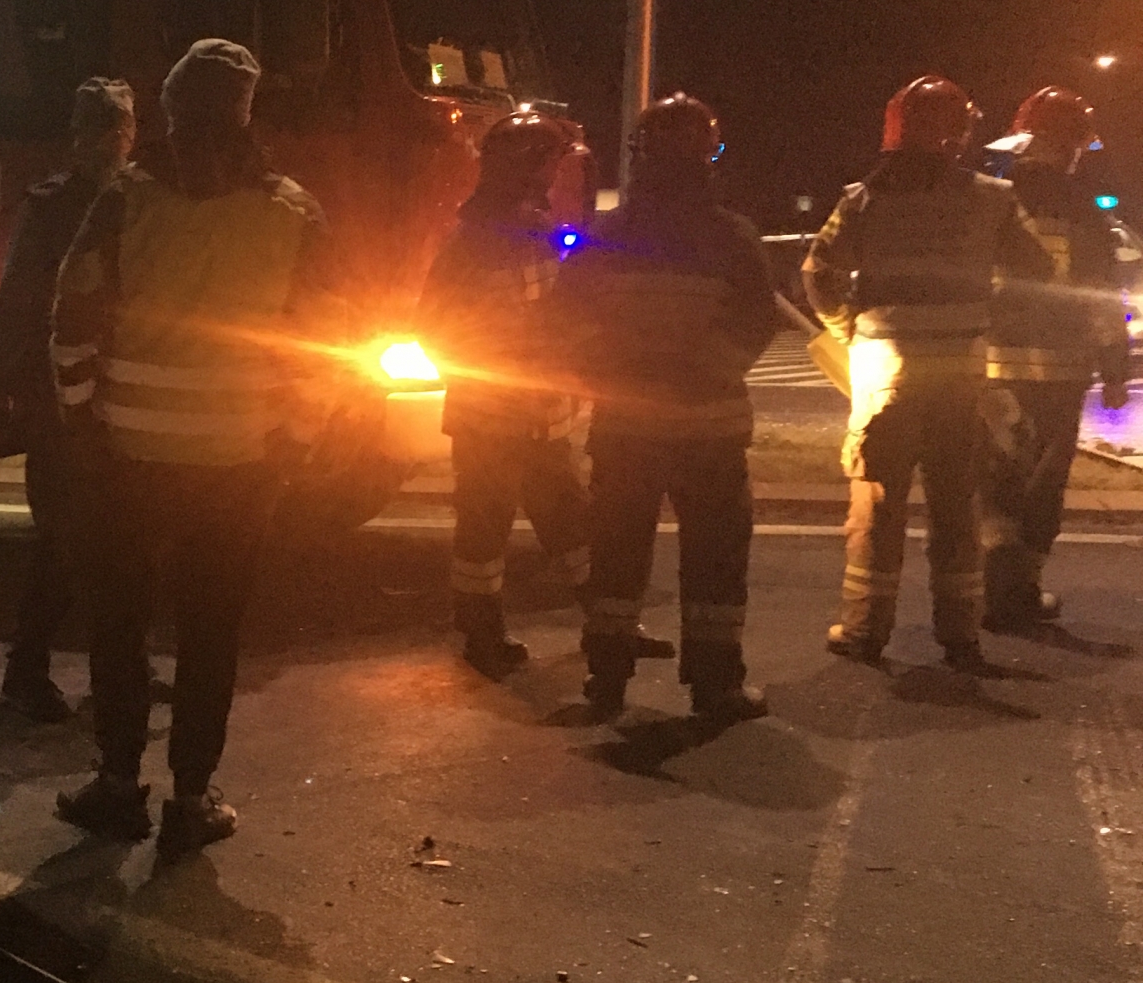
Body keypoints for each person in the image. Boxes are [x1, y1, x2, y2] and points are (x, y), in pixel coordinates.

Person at [47, 39, 325, 854]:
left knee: (120, 625)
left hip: (129, 459)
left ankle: (116, 785)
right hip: (240, 463)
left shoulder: (124, 200)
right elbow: (326, 338)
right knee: (211, 633)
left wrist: (80, 417)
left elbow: (73, 315)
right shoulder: (292, 211)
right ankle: (192, 798)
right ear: (245, 114)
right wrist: (296, 435)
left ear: (169, 111)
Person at [803, 75, 1053, 668]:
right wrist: (988, 318)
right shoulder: (994, 198)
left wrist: (845, 328)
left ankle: (865, 630)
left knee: (877, 503)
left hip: (884, 374)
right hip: (963, 379)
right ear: (960, 133)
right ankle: (960, 634)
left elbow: (818, 274)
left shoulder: (862, 199)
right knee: (957, 505)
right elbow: (1037, 271)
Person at [554, 94, 776, 723]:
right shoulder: (732, 236)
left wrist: (610, 374)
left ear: (640, 156)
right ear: (709, 155)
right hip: (711, 428)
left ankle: (606, 679)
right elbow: (757, 321)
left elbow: (567, 321)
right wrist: (705, 370)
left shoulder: (604, 236)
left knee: (617, 556)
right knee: (715, 560)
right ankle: (715, 686)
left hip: (627, 427)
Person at [0, 77, 140, 723]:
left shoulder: (86, 202)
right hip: (68, 401)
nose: (113, 141)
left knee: (104, 540)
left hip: (90, 395)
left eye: (116, 128)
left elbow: (14, 298)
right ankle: (27, 674)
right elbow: (21, 300)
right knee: (68, 542)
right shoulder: (87, 204)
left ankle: (104, 668)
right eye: (108, 129)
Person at [414, 110, 596, 677]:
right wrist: (492, 381)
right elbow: (434, 329)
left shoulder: (536, 229)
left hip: (540, 414)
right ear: (522, 169)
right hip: (490, 419)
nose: (553, 177)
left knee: (570, 521)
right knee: (484, 527)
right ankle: (481, 633)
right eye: (546, 165)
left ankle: (607, 622)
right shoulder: (470, 244)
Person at [980, 86, 1132, 630]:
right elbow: (1101, 299)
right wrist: (1115, 372)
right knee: (1042, 485)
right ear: (1072, 146)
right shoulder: (1084, 211)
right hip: (1059, 373)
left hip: (992, 367)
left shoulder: (989, 199)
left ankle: (987, 588)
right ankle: (1020, 592)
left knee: (996, 478)